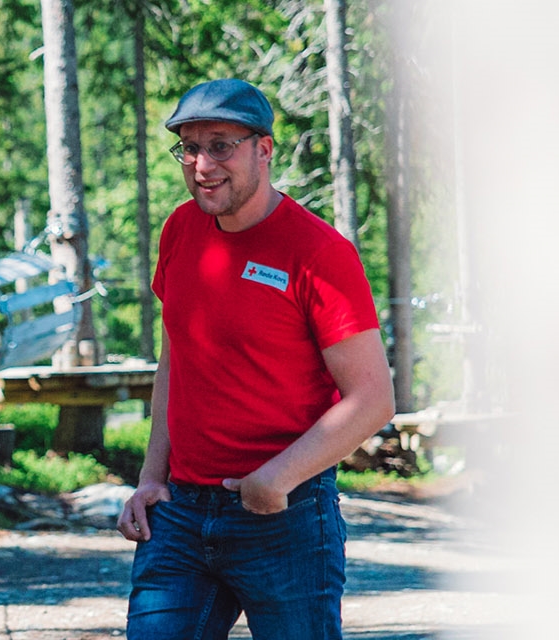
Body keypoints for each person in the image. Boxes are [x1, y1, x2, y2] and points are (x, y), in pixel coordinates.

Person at [118, 78, 395, 639]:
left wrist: (276, 478)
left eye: (220, 145)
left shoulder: (319, 252)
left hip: (284, 516)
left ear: (263, 149)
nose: (201, 164)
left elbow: (373, 399)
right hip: (181, 512)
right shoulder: (179, 229)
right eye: (189, 148)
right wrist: (151, 478)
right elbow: (177, 359)